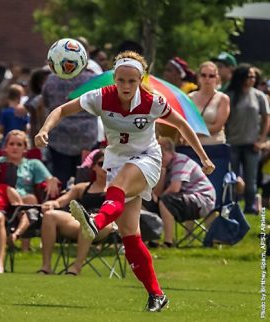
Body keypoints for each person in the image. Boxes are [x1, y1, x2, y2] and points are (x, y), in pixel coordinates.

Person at [35, 50, 215, 312]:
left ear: (141, 80)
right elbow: (61, 111)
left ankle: (95, 223)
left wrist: (204, 157)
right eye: (121, 80)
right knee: (131, 236)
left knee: (118, 187)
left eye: (133, 81)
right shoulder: (101, 97)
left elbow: (182, 126)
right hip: (116, 162)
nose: (126, 86)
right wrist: (44, 129)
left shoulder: (153, 101)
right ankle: (156, 295)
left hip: (147, 159)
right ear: (114, 79)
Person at [38, 150, 116, 275]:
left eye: (110, 164)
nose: (105, 168)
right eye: (101, 164)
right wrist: (52, 204)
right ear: (94, 167)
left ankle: (76, 267)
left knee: (88, 221)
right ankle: (46, 266)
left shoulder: (117, 188)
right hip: (79, 221)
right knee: (49, 215)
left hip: (104, 224)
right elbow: (61, 201)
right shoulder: (82, 187)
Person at [0, 130, 60, 250]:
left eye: (19, 144)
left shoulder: (33, 164)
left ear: (25, 149)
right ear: (5, 147)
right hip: (2, 199)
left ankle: (23, 244)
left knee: (29, 200)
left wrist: (52, 180)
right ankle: (5, 241)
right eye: (11, 144)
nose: (15, 147)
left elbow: (50, 179)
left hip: (24, 202)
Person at [225, 64, 269, 214]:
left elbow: (266, 118)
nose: (252, 79)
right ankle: (232, 206)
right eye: (249, 76)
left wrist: (261, 140)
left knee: (251, 180)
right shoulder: (229, 95)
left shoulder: (259, 96)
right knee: (232, 178)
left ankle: (249, 207)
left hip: (252, 144)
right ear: (241, 77)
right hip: (232, 143)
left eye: (254, 77)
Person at [156, 137, 216, 247]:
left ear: (169, 151)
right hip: (185, 199)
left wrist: (158, 199)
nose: (159, 158)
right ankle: (152, 239)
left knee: (165, 200)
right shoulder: (163, 165)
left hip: (203, 200)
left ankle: (168, 242)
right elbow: (157, 194)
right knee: (147, 201)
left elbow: (175, 189)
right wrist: (162, 172)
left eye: (161, 154)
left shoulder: (181, 161)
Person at [41, 67, 97, 186]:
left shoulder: (51, 79)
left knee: (60, 176)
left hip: (59, 138)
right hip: (87, 137)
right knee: (84, 176)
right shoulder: (93, 79)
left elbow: (45, 102)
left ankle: (59, 201)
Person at [188, 61, 230, 145]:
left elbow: (217, 127)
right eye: (204, 75)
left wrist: (193, 133)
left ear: (217, 78)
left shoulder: (222, 98)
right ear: (199, 77)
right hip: (192, 147)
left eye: (211, 76)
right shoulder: (189, 97)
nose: (207, 78)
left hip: (215, 146)